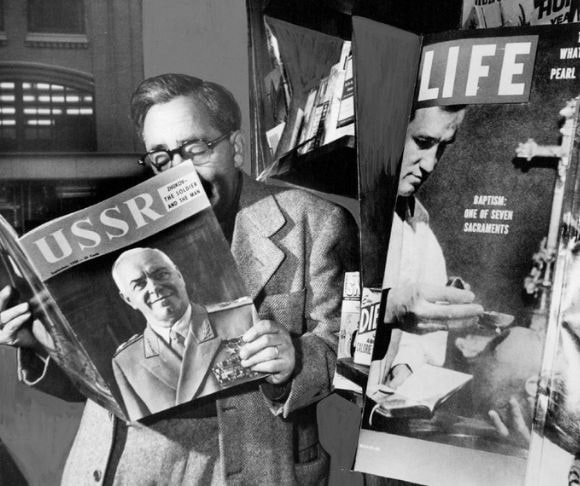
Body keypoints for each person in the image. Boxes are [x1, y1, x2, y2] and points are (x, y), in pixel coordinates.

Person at [0, 73, 359, 485]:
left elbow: (348, 352)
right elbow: (102, 384)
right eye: (161, 157)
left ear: (236, 148)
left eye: (195, 149)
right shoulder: (118, 232)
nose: (180, 172)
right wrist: (40, 342)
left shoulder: (315, 222)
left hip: (239, 469)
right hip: (116, 468)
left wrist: (294, 357)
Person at [369, 104, 484, 391]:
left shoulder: (419, 228)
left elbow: (421, 339)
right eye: (422, 142)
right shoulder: (339, 208)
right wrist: (386, 308)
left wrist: (406, 364)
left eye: (442, 147)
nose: (430, 164)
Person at [111, 247, 248, 421]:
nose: (154, 287)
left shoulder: (242, 317)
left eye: (161, 274)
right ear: (128, 299)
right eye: (139, 284)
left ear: (179, 276)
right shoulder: (127, 362)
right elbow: (149, 433)